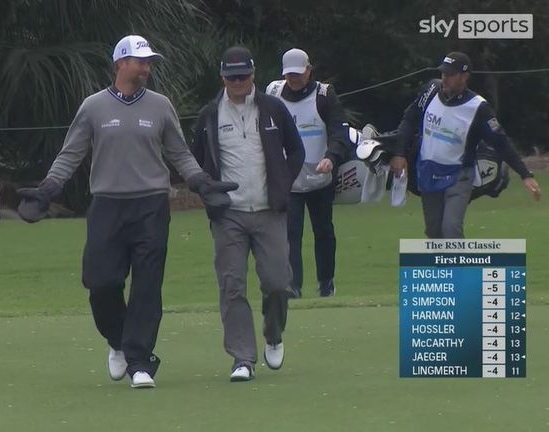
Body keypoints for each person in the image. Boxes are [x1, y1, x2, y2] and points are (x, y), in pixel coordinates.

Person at [17, 35, 237, 389]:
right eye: (140, 61)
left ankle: (140, 363)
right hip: (107, 205)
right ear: (120, 63)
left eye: (149, 61)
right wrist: (48, 190)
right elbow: (71, 153)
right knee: (101, 283)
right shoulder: (93, 107)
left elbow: (178, 153)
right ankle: (118, 341)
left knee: (147, 287)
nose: (147, 67)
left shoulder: (161, 106)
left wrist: (201, 183)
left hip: (151, 205)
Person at [191, 46, 305, 381]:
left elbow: (296, 149)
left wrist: (283, 183)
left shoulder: (273, 108)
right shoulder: (209, 114)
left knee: (278, 283)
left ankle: (273, 333)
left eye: (243, 76)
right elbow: (197, 161)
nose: (238, 82)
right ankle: (242, 358)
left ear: (253, 75)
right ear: (223, 77)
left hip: (270, 210)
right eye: (231, 77)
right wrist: (209, 194)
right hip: (229, 215)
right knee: (232, 286)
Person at [390, 51, 541, 238]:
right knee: (434, 231)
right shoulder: (430, 91)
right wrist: (399, 153)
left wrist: (525, 175)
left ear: (464, 77)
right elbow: (409, 119)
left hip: (460, 175)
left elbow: (501, 143)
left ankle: (459, 268)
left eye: (451, 75)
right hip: (428, 172)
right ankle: (443, 268)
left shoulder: (478, 108)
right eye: (443, 74)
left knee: (451, 229)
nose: (445, 79)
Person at [265, 49, 351, 298]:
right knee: (290, 233)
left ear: (309, 70)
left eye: (298, 74)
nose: (294, 79)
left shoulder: (324, 95)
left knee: (323, 231)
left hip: (320, 176)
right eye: (289, 75)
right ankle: (293, 285)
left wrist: (331, 157)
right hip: (288, 177)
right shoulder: (273, 93)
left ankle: (326, 282)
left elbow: (339, 131)